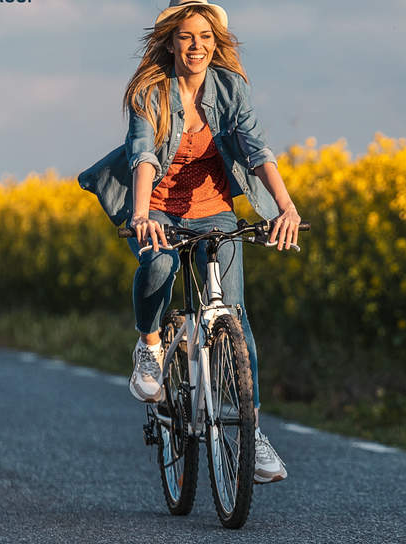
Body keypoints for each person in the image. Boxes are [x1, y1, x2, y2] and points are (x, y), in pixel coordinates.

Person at [122, 0, 301, 484]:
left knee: (234, 319)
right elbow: (142, 154)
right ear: (170, 43)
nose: (197, 46)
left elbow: (256, 147)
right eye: (187, 37)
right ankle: (151, 345)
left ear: (214, 43)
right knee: (158, 266)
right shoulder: (151, 94)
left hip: (214, 210)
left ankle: (252, 432)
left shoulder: (230, 87)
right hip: (158, 209)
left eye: (205, 37)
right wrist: (141, 214)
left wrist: (285, 206)